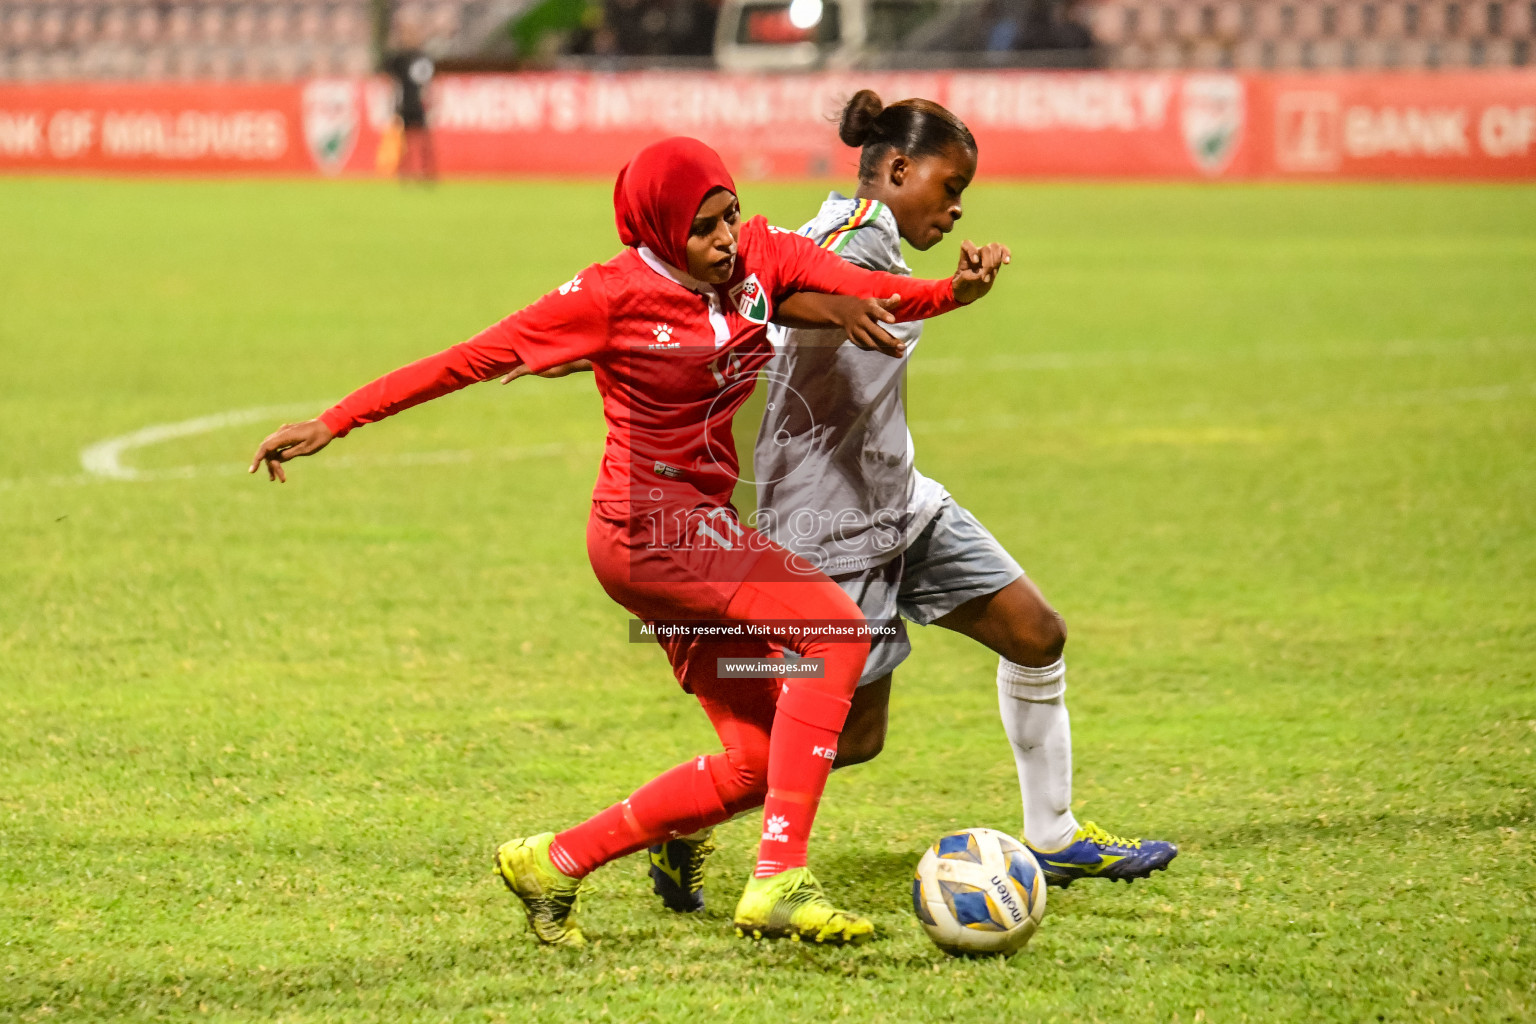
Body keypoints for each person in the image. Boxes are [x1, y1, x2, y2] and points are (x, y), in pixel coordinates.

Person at [248, 136, 1011, 946]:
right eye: (705, 228)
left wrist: (952, 292)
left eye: (731, 215)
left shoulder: (756, 257)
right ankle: (780, 878)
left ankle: (553, 862)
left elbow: (866, 288)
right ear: (655, 231)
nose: (727, 238)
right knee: (833, 632)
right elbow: (465, 361)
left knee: (756, 761)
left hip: (698, 530)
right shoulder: (609, 298)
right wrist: (334, 419)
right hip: (649, 531)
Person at [638, 92, 1177, 914]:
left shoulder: (869, 236)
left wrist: (946, 291)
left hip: (902, 500)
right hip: (827, 524)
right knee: (849, 738)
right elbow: (760, 297)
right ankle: (685, 824)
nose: (958, 206)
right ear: (896, 169)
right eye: (949, 183)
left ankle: (1056, 836)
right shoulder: (843, 238)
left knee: (1037, 635)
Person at [382, 22, 436, 183]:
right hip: (404, 105)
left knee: (423, 142)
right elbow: (391, 81)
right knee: (403, 143)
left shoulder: (423, 57)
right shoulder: (399, 58)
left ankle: (426, 173)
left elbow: (429, 84)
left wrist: (431, 103)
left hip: (419, 105)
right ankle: (405, 173)